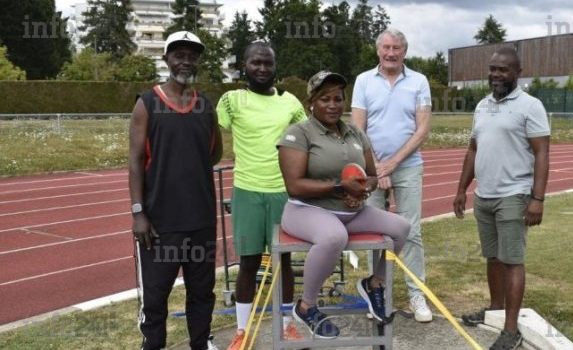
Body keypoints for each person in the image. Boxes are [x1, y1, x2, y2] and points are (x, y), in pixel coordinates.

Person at [277, 70, 410, 338]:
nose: (333, 105)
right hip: (306, 210)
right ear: (310, 103)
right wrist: (339, 188)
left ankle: (373, 284)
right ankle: (306, 306)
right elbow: (294, 185)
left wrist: (362, 190)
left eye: (338, 99)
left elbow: (372, 176)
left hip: (350, 210)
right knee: (333, 237)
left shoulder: (355, 133)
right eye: (325, 99)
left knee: (401, 228)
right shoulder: (299, 133)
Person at [129, 31, 221, 350]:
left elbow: (214, 153)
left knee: (202, 293)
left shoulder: (206, 106)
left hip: (201, 221)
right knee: (155, 299)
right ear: (167, 59)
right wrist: (139, 213)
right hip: (159, 225)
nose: (186, 60)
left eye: (192, 55)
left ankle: (199, 344)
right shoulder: (147, 102)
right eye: (179, 54)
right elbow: (136, 160)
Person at [453, 47, 550, 350]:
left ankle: (510, 330)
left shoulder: (530, 106)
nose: (496, 74)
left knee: (512, 260)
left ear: (518, 73)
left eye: (503, 69)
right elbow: (473, 149)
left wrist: (537, 199)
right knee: (493, 257)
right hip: (485, 196)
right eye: (493, 68)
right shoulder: (482, 106)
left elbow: (542, 152)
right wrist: (461, 189)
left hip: (514, 195)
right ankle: (495, 311)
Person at [216, 41, 307, 350]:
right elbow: (211, 135)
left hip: (283, 191)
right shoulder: (230, 100)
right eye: (256, 62)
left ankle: (288, 326)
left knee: (284, 261)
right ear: (245, 65)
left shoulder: (291, 102)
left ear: (275, 67)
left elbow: (306, 141)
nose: (262, 68)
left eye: (268, 63)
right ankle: (242, 331)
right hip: (247, 190)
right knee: (248, 263)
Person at [351, 28, 433, 323]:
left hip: (408, 166)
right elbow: (357, 130)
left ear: (404, 51)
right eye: (386, 47)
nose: (391, 52)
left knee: (411, 231)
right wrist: (376, 168)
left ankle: (416, 294)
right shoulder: (363, 81)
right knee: (375, 235)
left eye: (396, 47)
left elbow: (422, 128)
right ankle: (378, 292)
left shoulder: (419, 81)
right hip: (371, 170)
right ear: (378, 51)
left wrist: (393, 164)